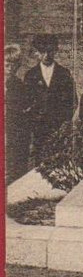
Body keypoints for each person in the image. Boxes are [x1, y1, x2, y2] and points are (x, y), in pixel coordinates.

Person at [23, 34, 76, 159]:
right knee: (39, 163)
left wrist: (64, 123)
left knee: (59, 160)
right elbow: (26, 103)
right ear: (37, 52)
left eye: (49, 51)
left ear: (55, 50)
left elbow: (72, 101)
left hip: (58, 128)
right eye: (42, 51)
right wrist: (34, 123)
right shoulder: (31, 75)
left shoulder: (64, 73)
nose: (46, 55)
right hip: (39, 130)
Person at [5, 43, 30, 185]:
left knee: (13, 166)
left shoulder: (19, 86)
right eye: (7, 64)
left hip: (14, 131)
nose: (10, 69)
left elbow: (23, 110)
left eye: (14, 65)